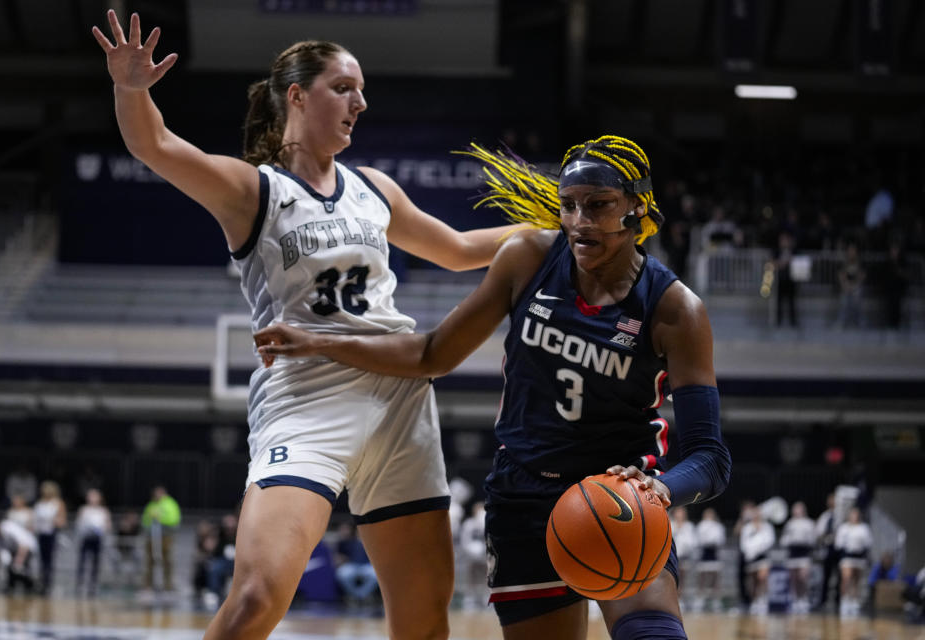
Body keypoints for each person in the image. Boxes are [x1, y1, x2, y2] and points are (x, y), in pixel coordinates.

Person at [92, 9, 524, 639]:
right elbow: (154, 145)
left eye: (362, 91)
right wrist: (131, 90)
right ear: (296, 95)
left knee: (426, 622)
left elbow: (458, 250)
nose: (360, 102)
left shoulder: (373, 188)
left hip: (400, 397)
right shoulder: (254, 190)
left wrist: (557, 229)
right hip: (308, 399)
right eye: (344, 88)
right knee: (256, 600)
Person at [255, 134, 732, 640]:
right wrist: (318, 341)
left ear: (636, 208)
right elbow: (430, 353)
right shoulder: (527, 257)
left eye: (598, 206)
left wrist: (658, 489)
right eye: (568, 206)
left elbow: (709, 458)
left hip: (619, 496)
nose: (579, 221)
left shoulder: (675, 308)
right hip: (524, 496)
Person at [140, 485, 181, 594]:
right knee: (149, 562)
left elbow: (174, 519)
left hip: (166, 536)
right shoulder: (151, 505)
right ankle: (148, 586)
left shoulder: (170, 504)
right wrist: (150, 521)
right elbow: (145, 520)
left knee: (167, 561)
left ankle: (167, 586)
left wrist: (160, 518)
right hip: (152, 537)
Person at [779, 501, 817, 614]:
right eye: (795, 509)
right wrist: (790, 540)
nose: (797, 512)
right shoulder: (790, 524)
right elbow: (784, 539)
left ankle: (803, 599)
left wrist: (804, 539)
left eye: (799, 509)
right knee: (794, 579)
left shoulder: (809, 523)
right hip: (792, 554)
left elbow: (813, 539)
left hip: (804, 554)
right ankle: (795, 599)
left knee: (803, 578)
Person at [835, 506, 873, 617]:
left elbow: (868, 543)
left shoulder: (864, 528)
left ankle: (854, 600)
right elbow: (838, 544)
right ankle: (844, 600)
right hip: (847, 556)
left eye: (856, 514)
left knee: (856, 580)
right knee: (846, 578)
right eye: (852, 514)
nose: (854, 517)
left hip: (859, 557)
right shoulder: (844, 528)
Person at [75, 487, 112, 596]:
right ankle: (80, 584)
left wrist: (101, 529)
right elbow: (79, 524)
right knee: (82, 562)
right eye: (90, 496)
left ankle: (92, 585)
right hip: (86, 538)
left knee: (95, 563)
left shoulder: (103, 511)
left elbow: (108, 525)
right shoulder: (84, 510)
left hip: (97, 539)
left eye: (95, 496)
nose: (92, 498)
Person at [739, 505, 775, 616]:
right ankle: (754, 601)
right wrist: (751, 551)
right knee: (753, 581)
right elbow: (744, 544)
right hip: (751, 558)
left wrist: (758, 548)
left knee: (762, 578)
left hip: (762, 557)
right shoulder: (747, 528)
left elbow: (769, 541)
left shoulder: (767, 527)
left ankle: (763, 600)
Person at [33, 480, 67, 594]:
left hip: (51, 533)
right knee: (41, 560)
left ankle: (48, 583)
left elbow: (62, 520)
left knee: (49, 560)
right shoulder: (40, 503)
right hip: (41, 533)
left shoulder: (58, 503)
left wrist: (55, 521)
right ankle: (41, 581)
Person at [694, 507, 726, 612]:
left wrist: (712, 539)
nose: (709, 517)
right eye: (707, 515)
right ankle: (700, 599)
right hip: (704, 554)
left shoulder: (718, 527)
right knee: (702, 578)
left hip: (714, 554)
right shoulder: (701, 526)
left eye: (710, 515)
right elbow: (699, 539)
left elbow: (720, 539)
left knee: (715, 579)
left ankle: (716, 600)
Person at [669, 507, 697, 610]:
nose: (680, 515)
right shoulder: (670, 524)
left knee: (682, 580)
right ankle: (673, 599)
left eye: (682, 513)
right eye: (678, 513)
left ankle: (680, 600)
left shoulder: (689, 526)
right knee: (672, 580)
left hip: (684, 557)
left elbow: (691, 542)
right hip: (672, 557)